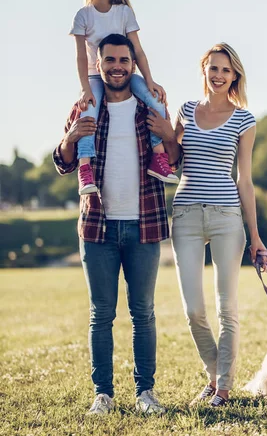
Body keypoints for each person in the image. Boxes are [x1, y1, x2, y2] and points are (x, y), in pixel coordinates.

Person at [53, 34, 181, 415]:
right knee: (101, 314)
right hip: (97, 227)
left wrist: (168, 135)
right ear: (99, 64)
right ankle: (103, 395)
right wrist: (71, 137)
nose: (117, 66)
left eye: (124, 60)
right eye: (110, 60)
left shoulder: (150, 108)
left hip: (145, 223)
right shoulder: (85, 107)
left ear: (133, 64)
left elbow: (174, 161)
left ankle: (145, 394)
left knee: (143, 312)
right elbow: (62, 163)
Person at [147, 42, 267, 407]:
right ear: (204, 70)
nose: (218, 75)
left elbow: (244, 181)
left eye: (226, 70)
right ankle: (213, 375)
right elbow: (175, 157)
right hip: (184, 213)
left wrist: (256, 237)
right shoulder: (186, 110)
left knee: (226, 307)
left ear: (235, 76)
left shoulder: (245, 120)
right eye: (213, 68)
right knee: (193, 309)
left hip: (227, 216)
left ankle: (224, 388)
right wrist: (167, 132)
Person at [70, 0, 178, 195]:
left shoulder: (124, 12)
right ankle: (85, 168)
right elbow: (79, 56)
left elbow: (138, 50)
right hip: (95, 78)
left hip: (126, 75)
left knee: (156, 102)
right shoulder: (83, 15)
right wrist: (85, 88)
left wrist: (150, 81)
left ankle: (158, 158)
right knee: (88, 112)